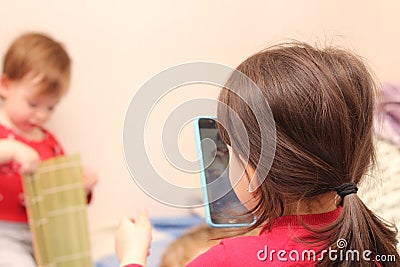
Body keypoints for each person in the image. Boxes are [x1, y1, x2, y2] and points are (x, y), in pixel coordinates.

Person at [115, 42, 400, 266]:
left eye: (232, 156)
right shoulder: (374, 248)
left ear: (254, 173)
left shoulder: (229, 259)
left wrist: (132, 256)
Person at [0, 32, 98, 267]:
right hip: (4, 233)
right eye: (33, 104)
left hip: (43, 235)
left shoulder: (49, 143)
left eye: (50, 107)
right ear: (5, 85)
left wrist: (79, 185)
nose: (41, 115)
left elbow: (60, 198)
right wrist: (12, 150)